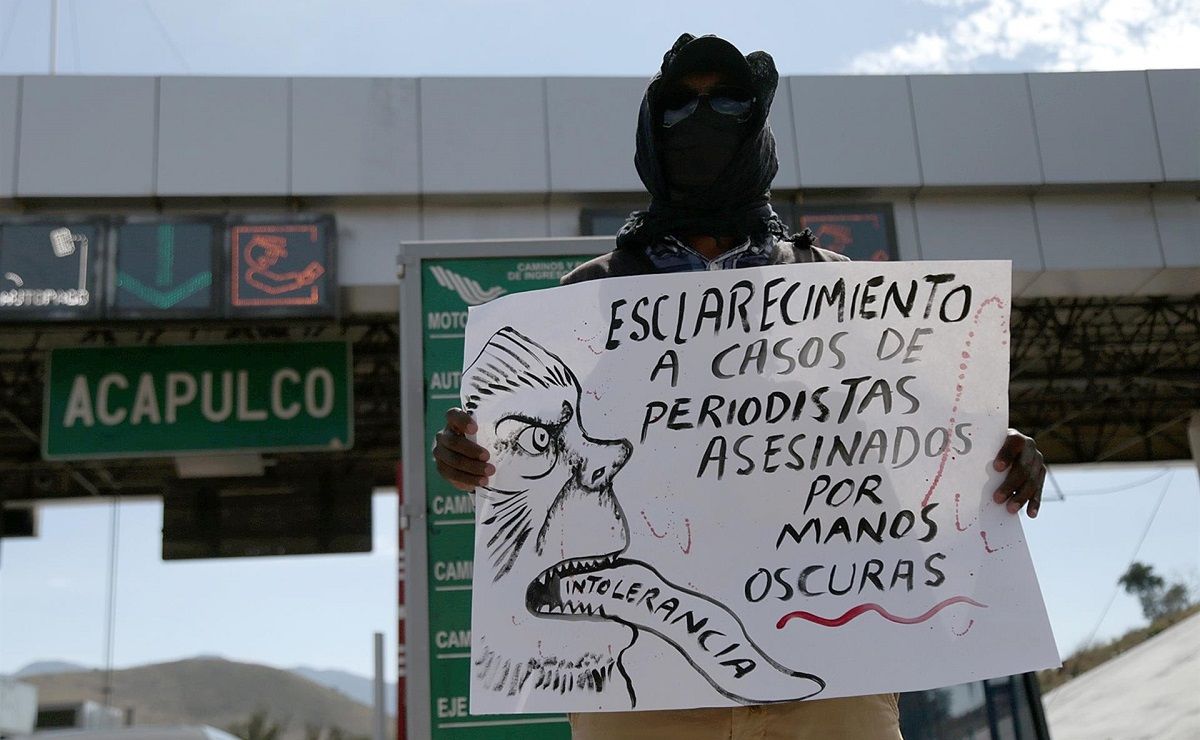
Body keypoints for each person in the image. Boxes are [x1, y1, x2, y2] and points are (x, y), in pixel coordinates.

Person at [433, 33, 1046, 740]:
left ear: (758, 129)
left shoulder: (840, 290)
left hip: (831, 674)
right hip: (647, 690)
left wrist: (993, 453)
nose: (702, 121)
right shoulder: (586, 301)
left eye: (727, 102)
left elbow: (923, 434)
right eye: (679, 108)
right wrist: (476, 462)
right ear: (648, 136)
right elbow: (538, 458)